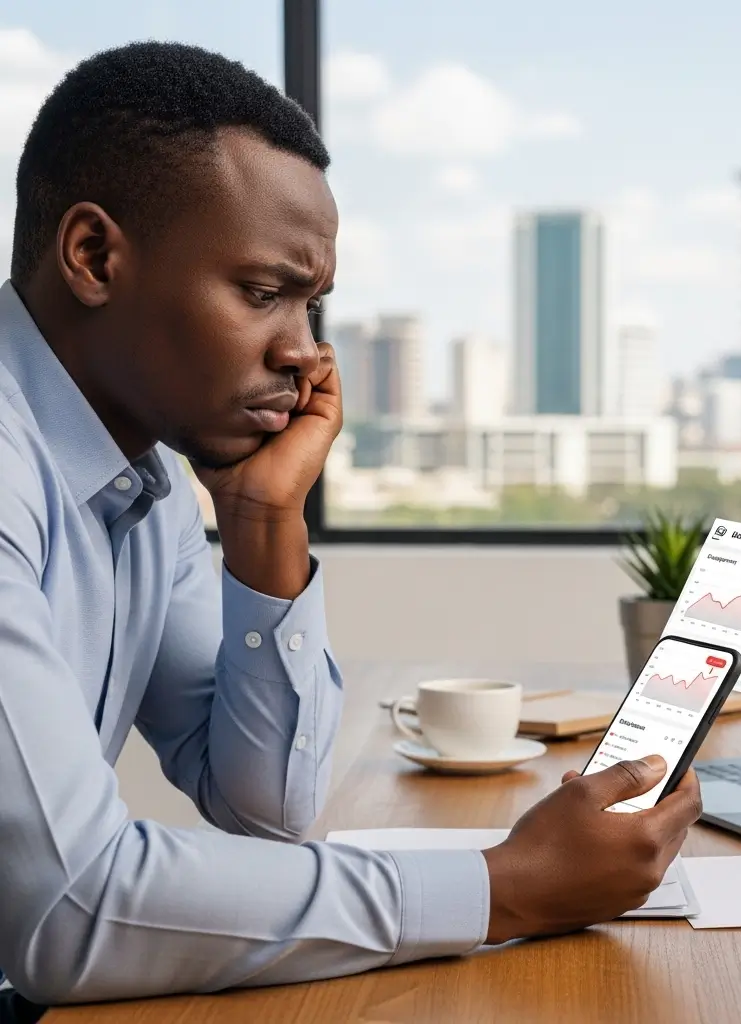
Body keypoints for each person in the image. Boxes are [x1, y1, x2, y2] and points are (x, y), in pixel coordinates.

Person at [0, 41, 702, 1015]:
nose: (303, 352)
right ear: (93, 256)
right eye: (263, 293)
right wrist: (504, 886)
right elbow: (73, 906)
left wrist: (263, 521)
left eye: (312, 304)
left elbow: (262, 811)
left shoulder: (144, 485)